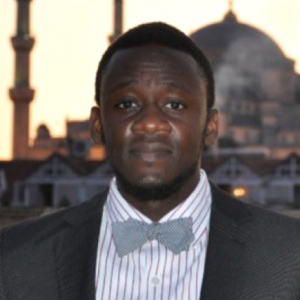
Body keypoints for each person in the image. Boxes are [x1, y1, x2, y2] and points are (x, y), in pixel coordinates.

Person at [1, 22, 300, 300]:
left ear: (210, 126)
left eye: (175, 104)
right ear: (97, 126)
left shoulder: (288, 255)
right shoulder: (16, 259)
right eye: (127, 104)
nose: (150, 122)